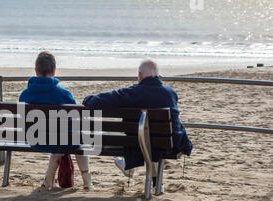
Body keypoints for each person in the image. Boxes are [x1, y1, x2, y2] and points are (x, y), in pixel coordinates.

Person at [82, 59, 192, 176]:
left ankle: (128, 166)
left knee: (140, 138)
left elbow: (97, 101)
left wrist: (87, 99)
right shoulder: (171, 93)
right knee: (154, 140)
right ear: (158, 75)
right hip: (169, 144)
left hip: (138, 144)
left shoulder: (133, 93)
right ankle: (157, 184)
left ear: (140, 75)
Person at [19, 51, 94, 190]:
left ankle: (48, 179)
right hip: (61, 141)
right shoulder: (63, 94)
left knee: (59, 137)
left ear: (36, 70)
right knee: (77, 140)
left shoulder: (25, 94)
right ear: (54, 71)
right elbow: (76, 118)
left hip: (35, 140)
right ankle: (87, 182)